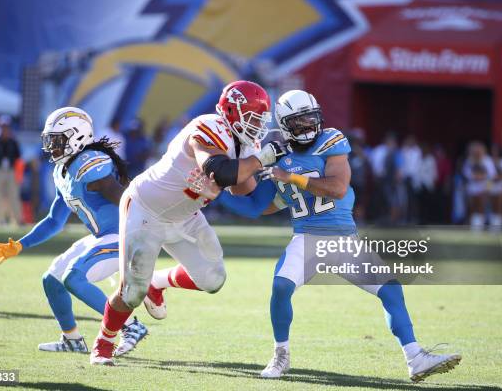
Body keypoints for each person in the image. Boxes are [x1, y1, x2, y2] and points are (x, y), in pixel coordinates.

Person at [189, 90, 461, 382]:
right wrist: (216, 195)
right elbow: (258, 206)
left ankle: (415, 357)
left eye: (310, 118)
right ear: (284, 124)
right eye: (299, 121)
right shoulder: (276, 154)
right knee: (281, 287)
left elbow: (337, 188)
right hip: (306, 239)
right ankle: (280, 355)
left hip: (343, 239)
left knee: (391, 289)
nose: (308, 125)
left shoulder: (330, 140)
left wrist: (290, 176)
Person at [90, 80, 288, 365]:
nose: (257, 126)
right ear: (232, 112)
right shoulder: (208, 126)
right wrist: (261, 159)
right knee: (132, 292)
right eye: (252, 118)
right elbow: (218, 171)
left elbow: (252, 199)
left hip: (185, 216)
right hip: (146, 209)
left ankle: (157, 282)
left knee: (213, 278)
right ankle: (103, 344)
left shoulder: (248, 145)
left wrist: (287, 187)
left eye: (260, 120)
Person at [0, 107, 148, 356]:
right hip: (103, 236)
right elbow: (54, 220)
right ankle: (72, 339)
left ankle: (130, 326)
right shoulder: (63, 171)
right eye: (50, 140)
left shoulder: (91, 163)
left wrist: (144, 229)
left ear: (77, 137)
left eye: (57, 140)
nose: (51, 147)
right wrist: (20, 245)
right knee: (52, 280)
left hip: (123, 236)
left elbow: (125, 198)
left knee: (73, 277)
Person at [0, 116, 23, 227]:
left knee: (14, 196)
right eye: (3, 127)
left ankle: (17, 220)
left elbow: (18, 160)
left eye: (6, 127)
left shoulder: (13, 142)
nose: (5, 129)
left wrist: (19, 175)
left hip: (11, 171)